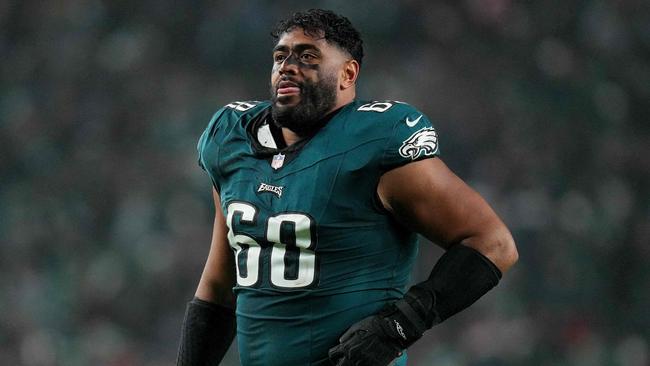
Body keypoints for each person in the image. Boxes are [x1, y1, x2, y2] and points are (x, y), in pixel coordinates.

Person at [176, 8, 518, 366]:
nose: (288, 66)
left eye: (308, 56)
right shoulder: (232, 141)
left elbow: (493, 243)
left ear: (347, 73)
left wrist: (400, 325)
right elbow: (219, 284)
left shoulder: (376, 143)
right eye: (280, 56)